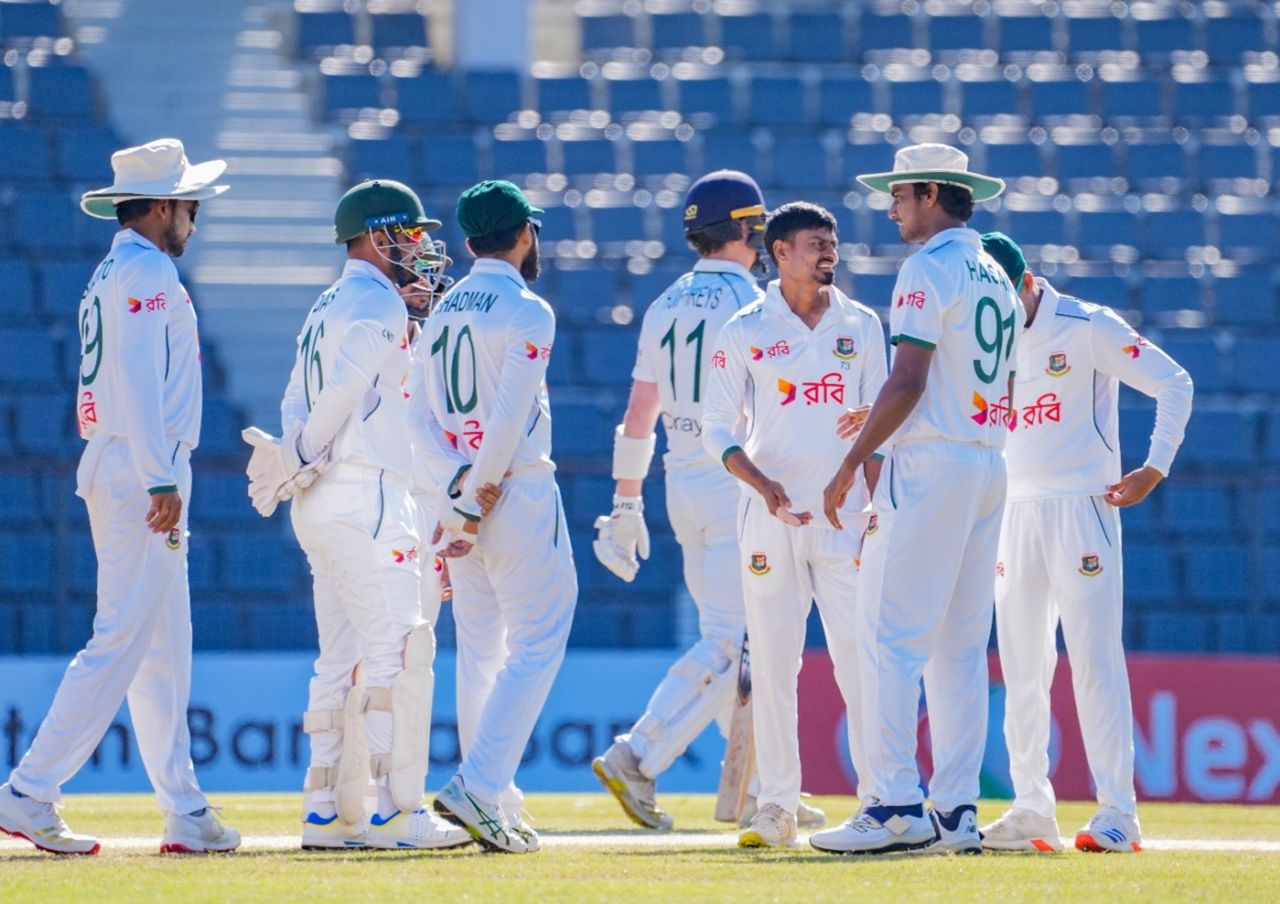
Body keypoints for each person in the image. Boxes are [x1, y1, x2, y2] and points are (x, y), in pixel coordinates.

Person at [0, 138, 239, 855]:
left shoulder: (122, 267)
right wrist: (160, 474)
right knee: (121, 640)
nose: (193, 223)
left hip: (131, 459)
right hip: (143, 466)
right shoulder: (147, 271)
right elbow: (136, 377)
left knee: (164, 647)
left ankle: (185, 811)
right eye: (189, 208)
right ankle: (29, 789)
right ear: (162, 207)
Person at [591, 170, 824, 832]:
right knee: (737, 642)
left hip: (679, 482)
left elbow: (640, 412)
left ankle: (764, 789)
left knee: (737, 641)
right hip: (736, 486)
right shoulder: (758, 306)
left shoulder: (665, 303)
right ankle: (637, 755)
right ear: (750, 230)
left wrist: (626, 502)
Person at [247, 178, 471, 852]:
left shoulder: (329, 303)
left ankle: (324, 812)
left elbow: (296, 392)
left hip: (320, 499)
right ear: (377, 236)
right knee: (401, 651)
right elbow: (344, 389)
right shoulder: (374, 302)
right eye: (409, 235)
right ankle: (397, 813)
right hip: (369, 490)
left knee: (337, 656)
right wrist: (309, 451)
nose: (421, 247)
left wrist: (298, 459)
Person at [813, 144, 1020, 856]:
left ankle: (896, 804)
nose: (891, 205)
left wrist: (850, 461)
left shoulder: (927, 267)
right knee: (960, 649)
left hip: (930, 465)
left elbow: (909, 382)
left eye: (900, 193)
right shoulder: (994, 270)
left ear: (933, 191)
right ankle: (957, 812)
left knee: (891, 640)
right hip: (989, 462)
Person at [977, 233, 1193, 854]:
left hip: (1083, 507)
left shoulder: (1086, 324)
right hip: (1011, 508)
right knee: (1020, 666)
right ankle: (1030, 808)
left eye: (997, 300)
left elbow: (1174, 383)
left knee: (1094, 659)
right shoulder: (984, 332)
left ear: (1022, 283)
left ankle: (1118, 813)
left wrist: (1156, 465)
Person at [701, 201, 888, 848]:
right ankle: (776, 807)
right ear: (779, 252)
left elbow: (886, 425)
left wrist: (876, 497)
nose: (830, 253)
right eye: (816, 244)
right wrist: (763, 485)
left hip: (846, 518)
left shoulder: (862, 324)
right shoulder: (745, 327)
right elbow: (716, 430)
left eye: (833, 243)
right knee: (775, 666)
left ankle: (880, 802)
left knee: (859, 663)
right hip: (771, 517)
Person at [422, 180, 578, 854]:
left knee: (480, 649)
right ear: (523, 234)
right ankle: (481, 786)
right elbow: (510, 417)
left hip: (459, 491)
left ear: (466, 240)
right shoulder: (527, 308)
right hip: (511, 492)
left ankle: (495, 795)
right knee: (539, 639)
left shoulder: (443, 308)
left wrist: (449, 492)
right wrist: (472, 496)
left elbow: (415, 417)